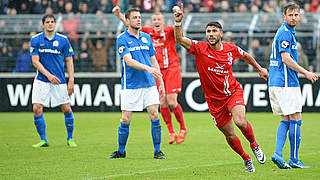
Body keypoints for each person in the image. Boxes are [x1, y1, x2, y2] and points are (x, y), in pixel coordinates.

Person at [173, 5, 268, 172]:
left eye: (214, 31)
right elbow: (180, 39)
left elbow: (245, 55)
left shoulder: (230, 48)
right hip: (214, 102)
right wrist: (178, 23)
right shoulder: (200, 48)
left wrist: (259, 69)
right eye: (208, 31)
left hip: (232, 92)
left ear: (221, 34)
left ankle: (254, 145)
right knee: (230, 135)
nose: (210, 34)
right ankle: (246, 159)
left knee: (240, 121)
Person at [113, 6, 187, 144]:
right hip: (156, 70)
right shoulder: (147, 33)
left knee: (171, 101)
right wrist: (119, 15)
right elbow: (129, 25)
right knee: (162, 102)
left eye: (159, 19)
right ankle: (171, 131)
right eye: (154, 19)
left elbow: (179, 33)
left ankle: (183, 128)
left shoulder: (169, 31)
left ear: (164, 21)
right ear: (152, 22)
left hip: (171, 68)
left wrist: (177, 16)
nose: (157, 21)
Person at [107, 8, 166, 159]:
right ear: (127, 21)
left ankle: (158, 151)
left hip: (149, 84)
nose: (138, 20)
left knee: (154, 115)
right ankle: (121, 151)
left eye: (139, 17)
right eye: (135, 18)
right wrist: (148, 68)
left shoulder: (147, 37)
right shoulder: (122, 39)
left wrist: (161, 83)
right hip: (130, 85)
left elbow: (154, 61)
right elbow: (128, 60)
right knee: (126, 118)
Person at [268, 2, 319, 169]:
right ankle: (294, 159)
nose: (294, 17)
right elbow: (286, 58)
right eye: (290, 15)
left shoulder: (287, 32)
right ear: (284, 16)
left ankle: (278, 153)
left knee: (286, 119)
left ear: (300, 16)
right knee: (296, 118)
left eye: (296, 14)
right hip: (285, 82)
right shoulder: (285, 33)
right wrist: (306, 72)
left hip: (278, 82)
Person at [30, 14, 77, 148]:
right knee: (37, 108)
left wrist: (71, 80)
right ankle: (43, 139)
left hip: (60, 81)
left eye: (52, 22)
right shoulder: (35, 40)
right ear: (43, 24)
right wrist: (48, 75)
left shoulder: (63, 40)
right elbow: (35, 61)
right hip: (42, 80)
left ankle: (70, 138)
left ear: (55, 24)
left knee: (66, 108)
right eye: (47, 22)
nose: (50, 24)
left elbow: (69, 60)